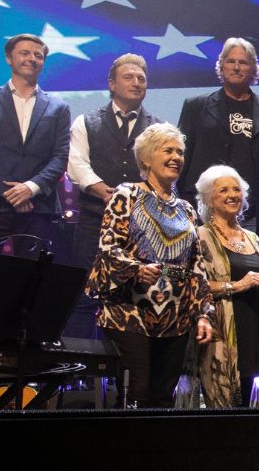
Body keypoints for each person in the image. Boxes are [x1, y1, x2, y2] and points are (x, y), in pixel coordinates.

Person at [88, 123, 213, 408]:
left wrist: (203, 314)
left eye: (180, 152)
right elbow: (108, 247)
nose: (176, 157)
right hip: (129, 312)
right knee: (136, 393)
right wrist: (135, 268)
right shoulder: (126, 195)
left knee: (163, 399)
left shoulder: (187, 209)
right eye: (168, 150)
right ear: (146, 158)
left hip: (175, 318)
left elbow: (197, 266)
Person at [0, 32, 71, 283]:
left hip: (38, 206)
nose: (31, 59)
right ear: (9, 58)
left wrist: (30, 188)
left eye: (38, 55)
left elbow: (61, 155)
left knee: (31, 283)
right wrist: (7, 191)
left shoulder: (58, 107)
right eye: (24, 53)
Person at [176, 37, 259, 236]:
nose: (236, 67)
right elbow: (182, 157)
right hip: (204, 210)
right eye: (230, 61)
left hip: (253, 212)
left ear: (253, 69)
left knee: (251, 266)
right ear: (221, 65)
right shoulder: (195, 107)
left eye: (243, 62)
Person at [191, 165, 259, 410]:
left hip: (256, 333)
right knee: (227, 406)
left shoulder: (253, 238)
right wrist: (235, 285)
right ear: (208, 198)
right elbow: (194, 284)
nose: (232, 195)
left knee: (257, 406)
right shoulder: (201, 235)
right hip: (222, 335)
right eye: (223, 190)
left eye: (236, 189)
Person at [67, 52, 157, 262]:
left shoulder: (158, 128)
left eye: (141, 79)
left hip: (142, 222)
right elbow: (76, 163)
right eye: (128, 77)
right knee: (88, 285)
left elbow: (163, 173)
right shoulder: (85, 122)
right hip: (94, 218)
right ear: (112, 84)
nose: (136, 83)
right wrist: (102, 191)